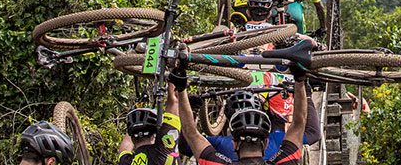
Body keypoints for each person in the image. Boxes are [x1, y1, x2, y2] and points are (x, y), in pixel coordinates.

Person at [178, 65, 308, 164]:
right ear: (265, 144)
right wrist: (300, 80)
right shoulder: (283, 161)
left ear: (234, 144)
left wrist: (181, 89)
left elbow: (190, 133)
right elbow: (299, 123)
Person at [115, 81, 180, 165]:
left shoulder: (128, 162)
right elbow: (173, 101)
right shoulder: (162, 152)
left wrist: (136, 121)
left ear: (133, 138)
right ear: (154, 135)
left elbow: (124, 149)